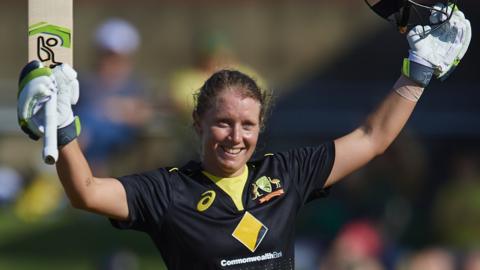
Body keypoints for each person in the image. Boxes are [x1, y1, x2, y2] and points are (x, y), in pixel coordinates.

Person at [16, 2, 470, 269]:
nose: (235, 137)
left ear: (259, 129)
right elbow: (87, 193)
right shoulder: (168, 191)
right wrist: (60, 124)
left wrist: (419, 73)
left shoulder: (287, 174)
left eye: (247, 125)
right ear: (198, 123)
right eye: (223, 123)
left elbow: (372, 137)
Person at [76, 18, 152, 175]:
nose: (111, 62)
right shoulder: (84, 81)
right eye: (107, 55)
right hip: (84, 140)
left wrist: (115, 110)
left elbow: (143, 114)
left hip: (116, 143)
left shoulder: (134, 86)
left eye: (117, 57)